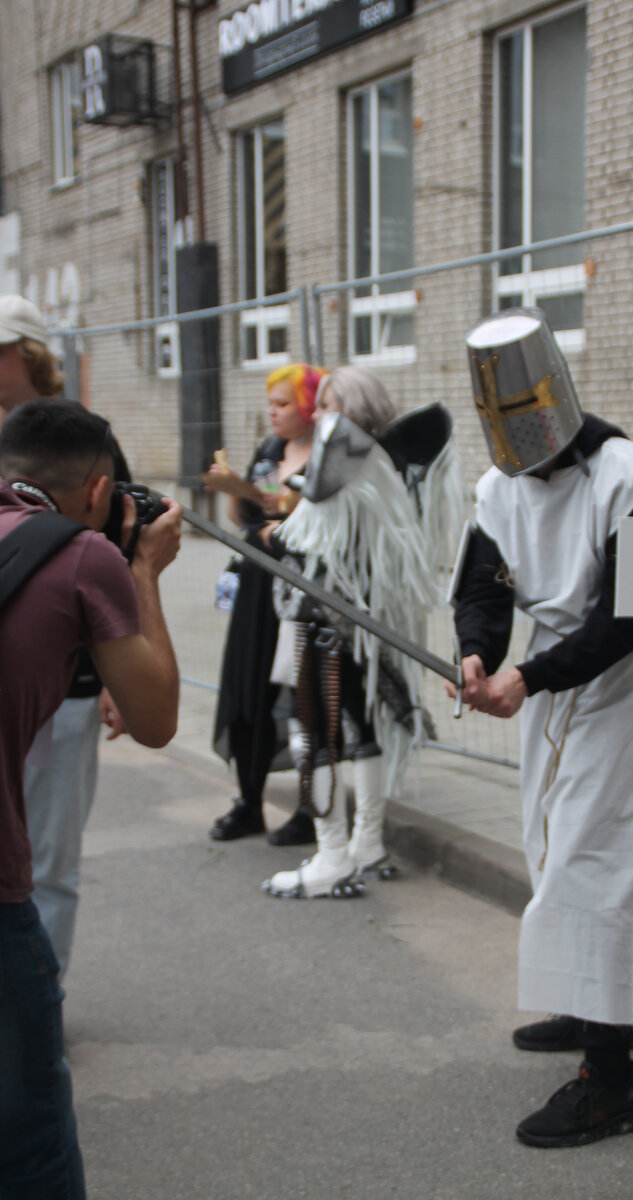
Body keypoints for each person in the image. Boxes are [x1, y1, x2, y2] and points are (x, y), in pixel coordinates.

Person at [449, 308, 633, 1148]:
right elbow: (483, 586)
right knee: (551, 845)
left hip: (616, 684)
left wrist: (529, 675)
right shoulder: (497, 486)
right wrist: (477, 654)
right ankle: (593, 1007)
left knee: (594, 853)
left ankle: (613, 1083)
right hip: (546, 680)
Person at [0, 398, 182, 1197]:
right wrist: (141, 568)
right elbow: (156, 720)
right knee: (34, 1142)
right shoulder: (83, 558)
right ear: (100, 488)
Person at [263, 366, 449, 899]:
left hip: (324, 616)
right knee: (361, 725)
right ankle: (366, 846)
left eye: (327, 404)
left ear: (351, 411)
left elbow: (307, 533)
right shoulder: (385, 461)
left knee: (314, 729)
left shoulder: (344, 446)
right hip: (363, 617)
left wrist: (278, 532)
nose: (317, 414)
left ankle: (331, 857)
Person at [0, 293, 127, 978]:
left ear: (24, 353)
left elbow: (121, 555)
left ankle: (41, 1004)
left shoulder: (84, 438)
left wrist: (115, 673)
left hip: (67, 689)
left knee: (49, 858)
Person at [204, 363, 328, 845]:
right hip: (259, 586)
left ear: (309, 407)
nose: (272, 414)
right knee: (249, 686)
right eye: (271, 404)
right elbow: (248, 515)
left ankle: (309, 808)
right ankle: (248, 802)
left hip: (303, 590)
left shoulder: (328, 454)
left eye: (282, 404)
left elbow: (312, 527)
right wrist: (232, 489)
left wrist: (275, 527)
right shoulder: (271, 449)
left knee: (305, 697)